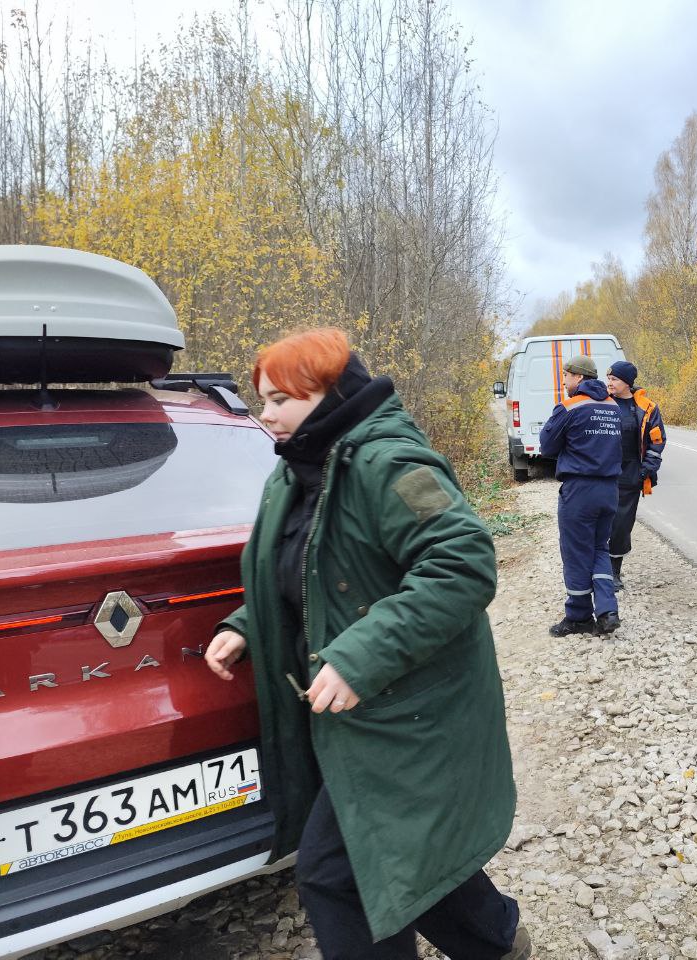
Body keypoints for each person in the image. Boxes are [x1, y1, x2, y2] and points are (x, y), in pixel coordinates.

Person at [203, 328, 530, 960]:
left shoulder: (391, 463)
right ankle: (496, 938)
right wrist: (249, 623)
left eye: (279, 399)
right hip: (357, 714)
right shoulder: (299, 466)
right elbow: (303, 566)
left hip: (410, 711)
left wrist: (360, 656)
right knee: (401, 852)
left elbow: (462, 563)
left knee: (337, 876)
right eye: (261, 399)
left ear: (328, 395)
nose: (263, 414)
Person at [539, 354, 623, 635]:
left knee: (576, 552)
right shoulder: (613, 406)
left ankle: (578, 616)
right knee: (600, 548)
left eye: (566, 376)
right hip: (609, 489)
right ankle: (608, 610)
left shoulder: (570, 406)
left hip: (580, 490)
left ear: (579, 378)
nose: (563, 381)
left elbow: (548, 447)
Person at [604, 360, 665, 590]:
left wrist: (646, 469)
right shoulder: (601, 402)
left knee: (621, 524)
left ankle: (614, 572)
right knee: (600, 521)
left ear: (627, 383)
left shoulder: (646, 408)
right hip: (602, 472)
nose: (610, 383)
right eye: (608, 378)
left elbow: (656, 441)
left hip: (629, 473)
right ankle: (596, 570)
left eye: (615, 379)